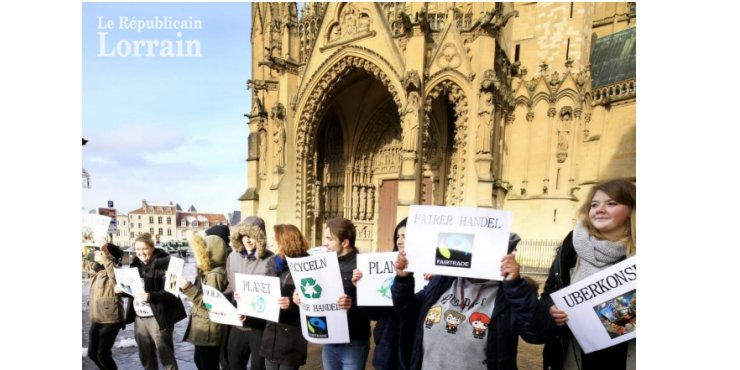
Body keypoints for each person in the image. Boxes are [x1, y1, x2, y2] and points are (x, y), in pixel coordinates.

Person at [392, 233, 552, 370]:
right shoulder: (443, 281)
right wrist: (403, 281)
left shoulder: (512, 293)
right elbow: (409, 315)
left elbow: (537, 334)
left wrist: (516, 286)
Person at [539, 178, 636, 370]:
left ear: (631, 210)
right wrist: (551, 309)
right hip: (574, 356)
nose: (600, 209)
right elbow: (549, 294)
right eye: (594, 204)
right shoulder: (571, 246)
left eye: (611, 203)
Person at [293, 217, 370, 370]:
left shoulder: (362, 265)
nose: (324, 243)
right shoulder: (324, 263)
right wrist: (301, 299)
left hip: (353, 343)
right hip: (330, 341)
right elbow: (319, 297)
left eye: (329, 239)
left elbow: (373, 311)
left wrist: (351, 305)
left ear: (345, 242)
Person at [350, 218, 409, 370]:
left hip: (413, 348)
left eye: (405, 236)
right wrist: (362, 287)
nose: (400, 241)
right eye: (398, 236)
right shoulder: (384, 266)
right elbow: (375, 314)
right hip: (387, 348)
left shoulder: (432, 272)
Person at [123, 233, 187, 370]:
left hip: (159, 317)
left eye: (144, 248)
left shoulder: (167, 264)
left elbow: (172, 292)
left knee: (166, 356)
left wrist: (151, 296)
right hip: (140, 317)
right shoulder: (134, 265)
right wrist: (121, 289)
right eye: (138, 249)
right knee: (145, 356)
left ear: (152, 248)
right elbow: (131, 290)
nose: (141, 252)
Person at [224, 216, 276, 370]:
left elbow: (273, 297)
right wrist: (219, 298)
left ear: (260, 237)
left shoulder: (271, 260)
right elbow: (229, 287)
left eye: (252, 236)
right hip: (237, 325)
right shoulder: (232, 257)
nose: (247, 240)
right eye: (244, 236)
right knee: (234, 364)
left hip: (259, 328)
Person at [259, 224, 310, 370]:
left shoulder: (306, 265)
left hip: (292, 335)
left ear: (286, 241)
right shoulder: (273, 263)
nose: (274, 244)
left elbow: (315, 301)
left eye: (277, 240)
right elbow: (265, 292)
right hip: (271, 334)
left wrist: (292, 305)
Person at [178, 234, 229, 370]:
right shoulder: (208, 271)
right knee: (200, 361)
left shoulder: (214, 275)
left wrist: (188, 288)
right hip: (204, 327)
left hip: (209, 329)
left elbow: (210, 304)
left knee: (207, 364)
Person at [87, 242, 125, 370]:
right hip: (97, 319)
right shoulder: (99, 270)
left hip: (111, 319)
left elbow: (113, 273)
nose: (96, 253)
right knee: (92, 354)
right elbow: (84, 264)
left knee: (103, 354)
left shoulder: (114, 271)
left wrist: (105, 255)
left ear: (107, 256)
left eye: (99, 252)